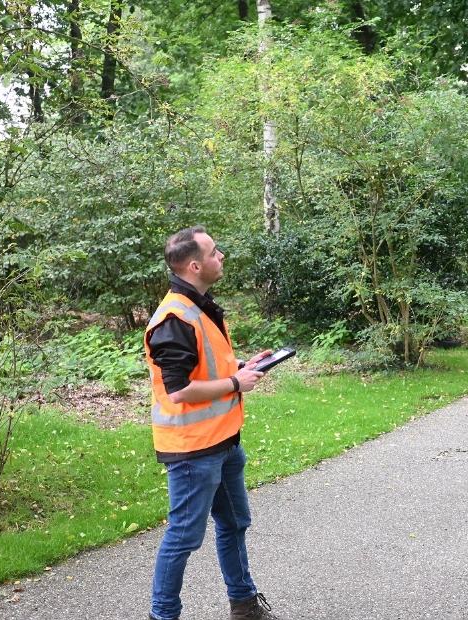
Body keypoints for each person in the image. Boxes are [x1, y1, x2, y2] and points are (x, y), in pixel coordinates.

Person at [144, 226, 288, 620]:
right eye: (214, 252)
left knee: (235, 523)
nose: (221, 256)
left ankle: (244, 605)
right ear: (194, 265)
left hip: (224, 443)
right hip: (193, 451)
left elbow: (206, 366)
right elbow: (178, 390)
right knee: (184, 538)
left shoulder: (200, 305)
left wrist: (242, 368)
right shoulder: (173, 318)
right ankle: (163, 616)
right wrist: (233, 383)